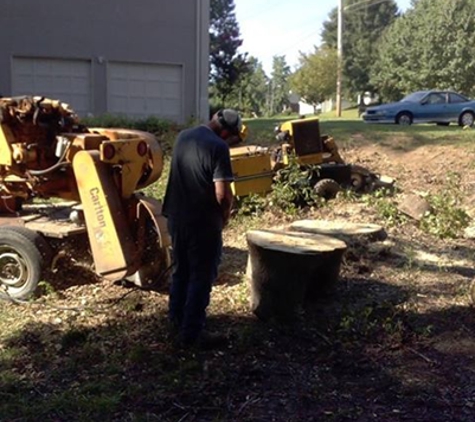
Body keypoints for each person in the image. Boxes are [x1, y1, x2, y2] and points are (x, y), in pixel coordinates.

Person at [162, 109, 246, 349]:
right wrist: (225, 217)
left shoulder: (183, 137)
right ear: (226, 131)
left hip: (176, 218)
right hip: (202, 223)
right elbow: (222, 194)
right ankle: (192, 334)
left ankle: (175, 320)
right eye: (232, 136)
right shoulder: (218, 147)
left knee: (181, 271)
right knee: (201, 276)